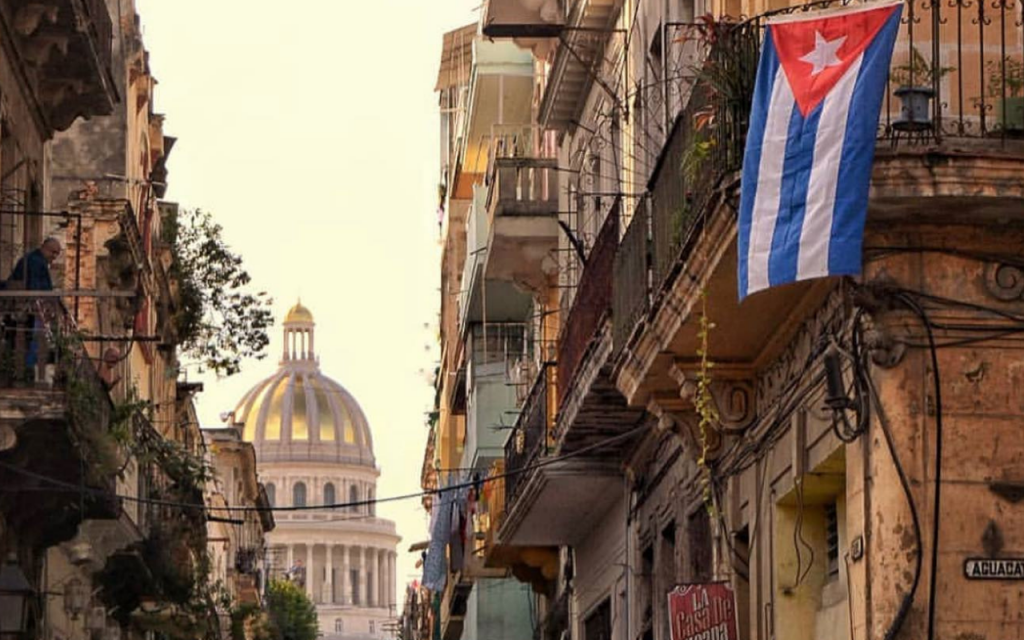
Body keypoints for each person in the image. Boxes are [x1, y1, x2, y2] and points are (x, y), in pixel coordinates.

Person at [5, 238, 62, 378]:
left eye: (57, 253)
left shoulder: (35, 260)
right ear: (44, 248)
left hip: (27, 308)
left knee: (32, 339)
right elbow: (36, 289)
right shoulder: (35, 261)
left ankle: (27, 369)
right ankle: (28, 370)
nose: (55, 256)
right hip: (26, 308)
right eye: (53, 252)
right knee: (35, 338)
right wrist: (49, 304)